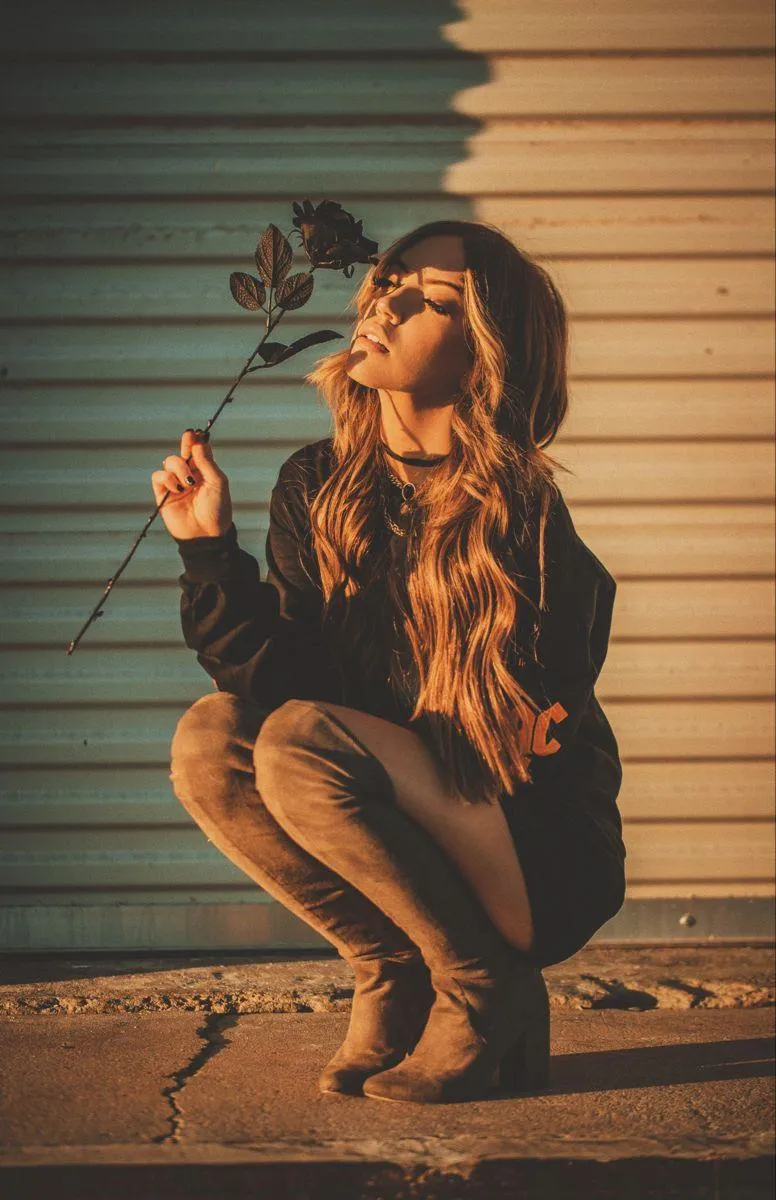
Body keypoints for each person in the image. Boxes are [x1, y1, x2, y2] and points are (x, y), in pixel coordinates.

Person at [151, 219, 627, 1105]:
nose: (387, 302)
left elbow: (529, 736)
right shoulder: (315, 485)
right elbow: (288, 693)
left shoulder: (519, 510)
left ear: (483, 356)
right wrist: (209, 553)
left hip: (528, 843)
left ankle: (487, 987)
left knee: (300, 740)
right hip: (408, 810)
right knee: (212, 740)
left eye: (433, 300)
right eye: (391, 280)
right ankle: (393, 967)